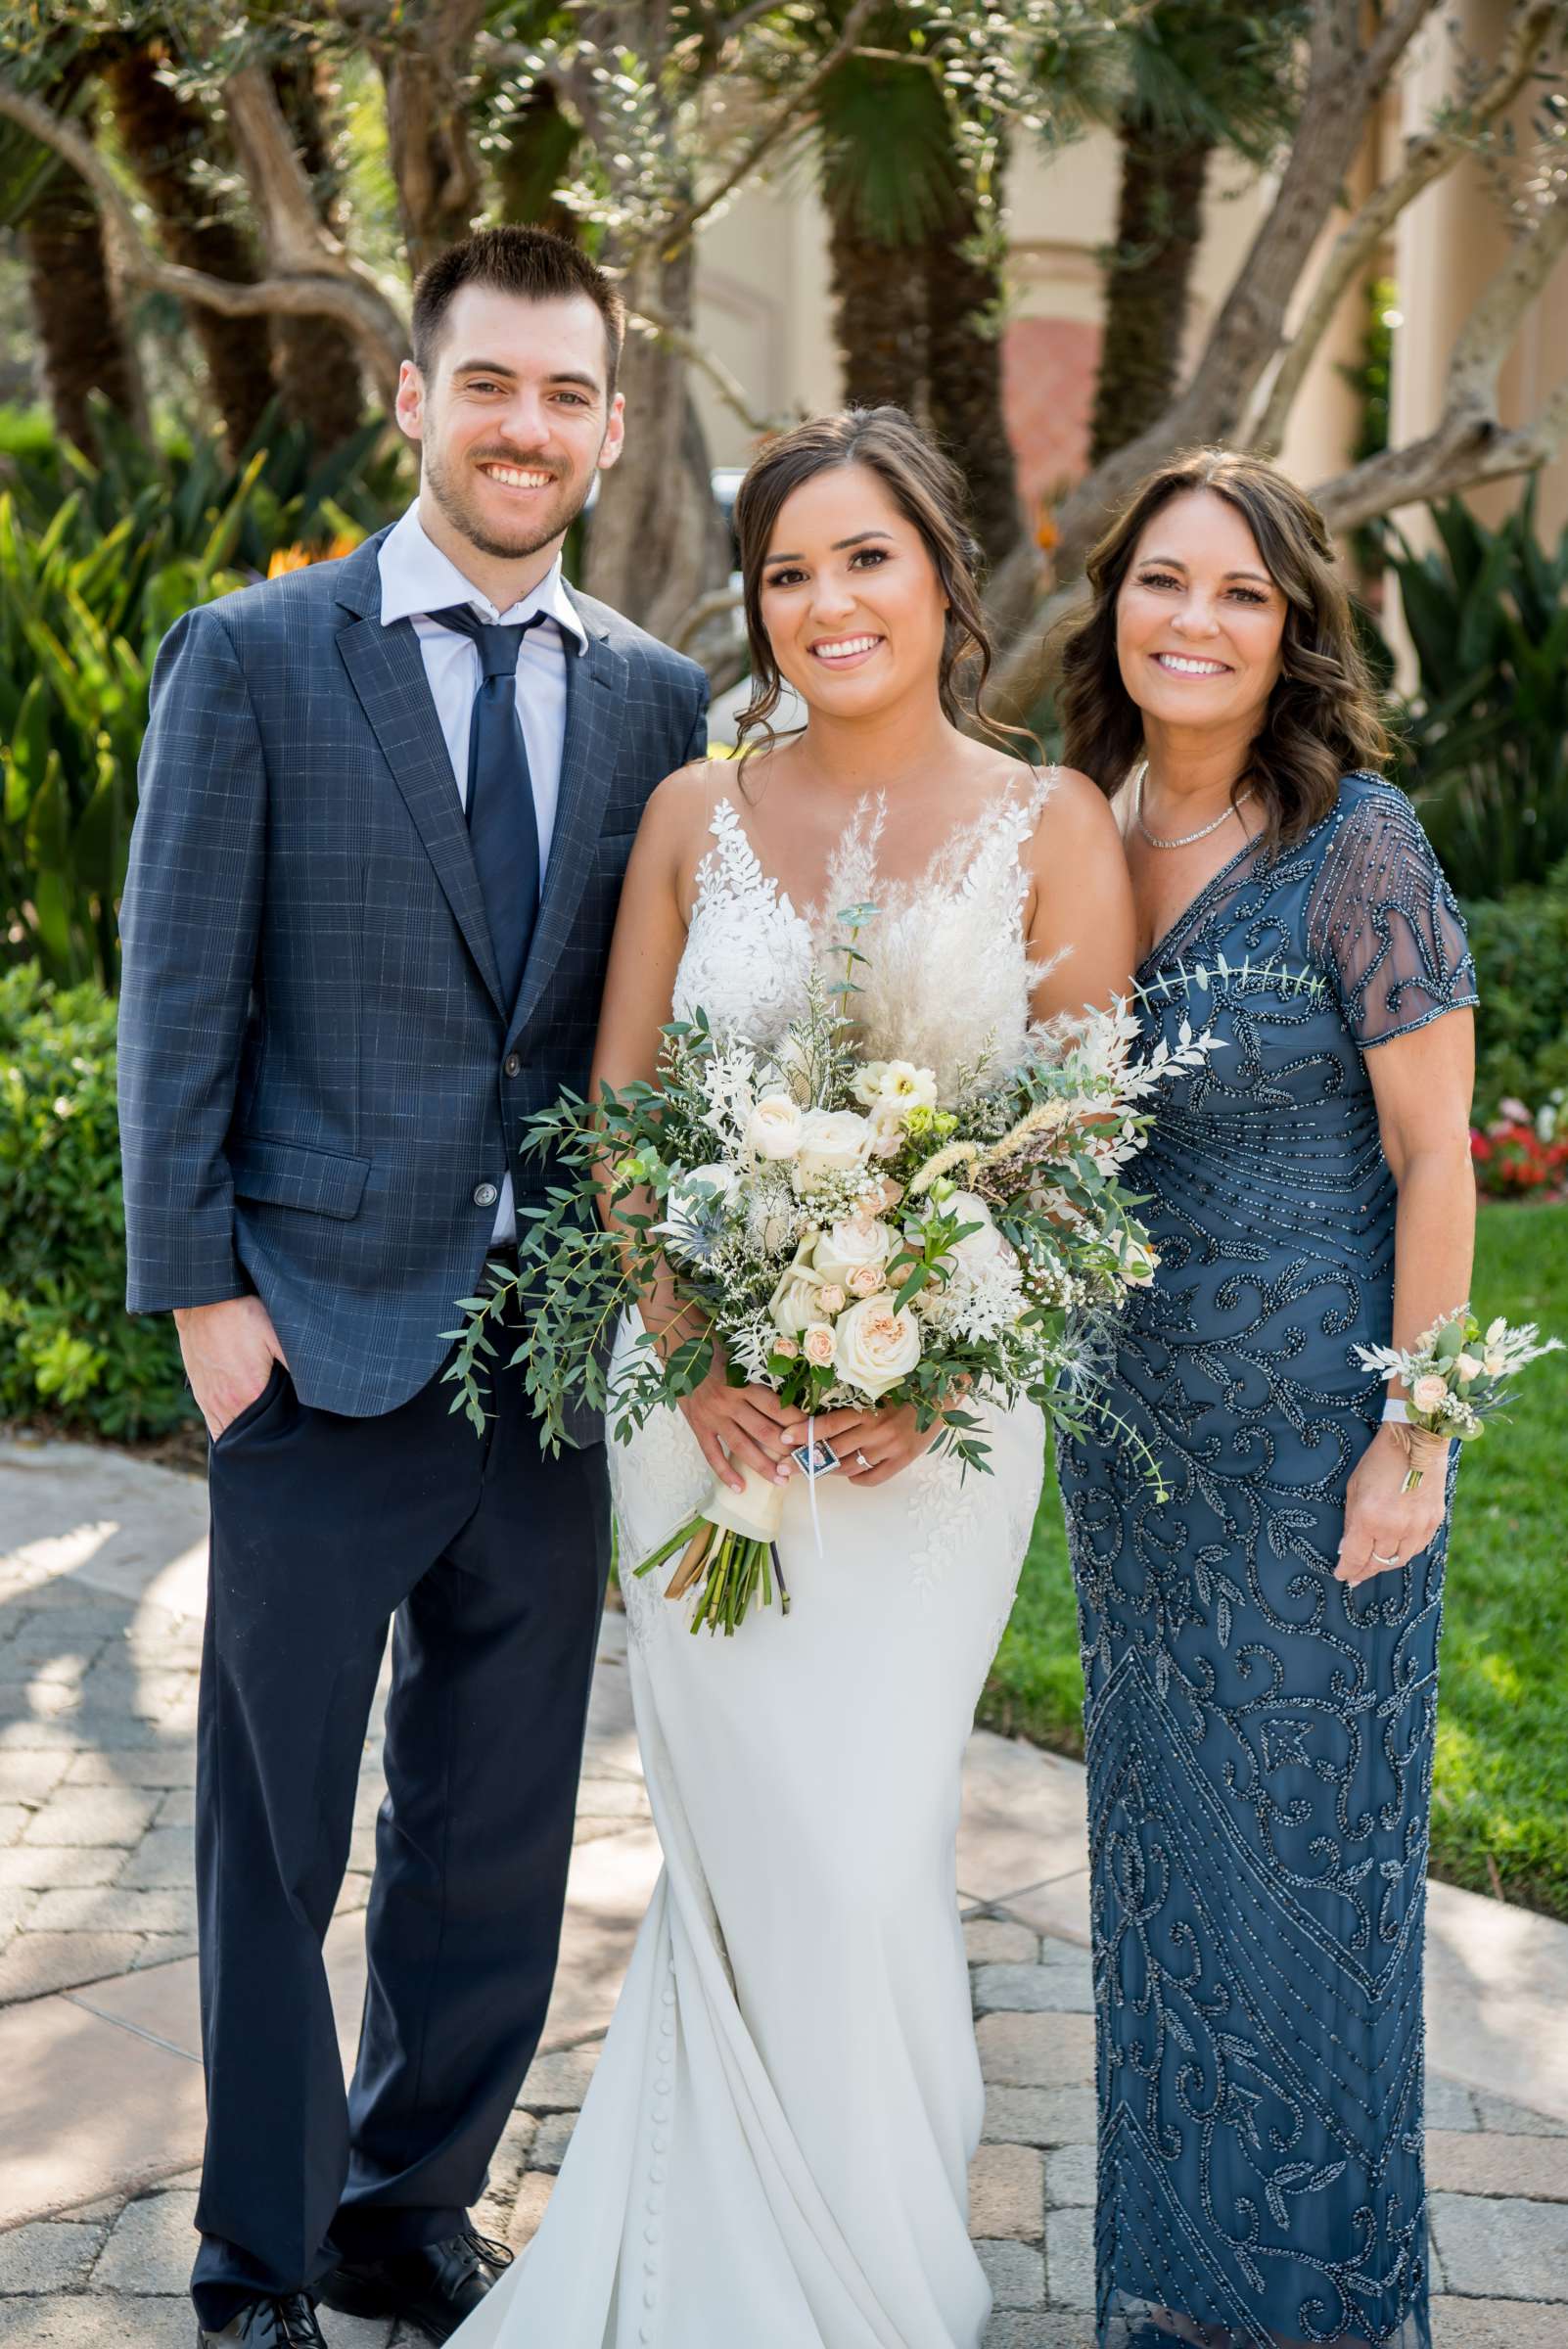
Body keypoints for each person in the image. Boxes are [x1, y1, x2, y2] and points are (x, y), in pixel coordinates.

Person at [449, 405, 1136, 2349]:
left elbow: (1077, 1155)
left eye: (866, 559)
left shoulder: (1051, 826)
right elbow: (620, 1115)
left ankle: (877, 2273)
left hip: (938, 1440)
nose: (827, 602)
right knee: (759, 1848)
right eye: (787, 572)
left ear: (942, 577)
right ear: (757, 607)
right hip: (706, 1437)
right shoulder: (695, 813)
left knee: (859, 1842)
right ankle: (738, 2276)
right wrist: (686, 1349)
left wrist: (944, 1368)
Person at [116, 225, 708, 2349]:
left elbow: (642, 1041)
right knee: (274, 1843)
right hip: (311, 1335)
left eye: (566, 394)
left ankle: (408, 2207)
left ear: (612, 427)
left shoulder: (657, 699)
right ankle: (256, 2257)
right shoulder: (256, 657)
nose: (525, 428)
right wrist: (202, 1296)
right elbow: (177, 998)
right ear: (415, 401)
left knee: (493, 1834)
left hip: (543, 1371)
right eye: (490, 386)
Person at [1053, 449, 1477, 2349]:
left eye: (1238, 592)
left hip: (1320, 1445)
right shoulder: (1073, 822)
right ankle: (1167, 2292)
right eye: (1164, 582)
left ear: (1291, 626)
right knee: (1161, 1873)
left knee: (1306, 1884)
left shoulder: (1358, 841)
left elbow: (1439, 1155)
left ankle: (1321, 2304)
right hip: (1132, 1452)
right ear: (1115, 604)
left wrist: (1419, 1433)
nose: (1195, 622)